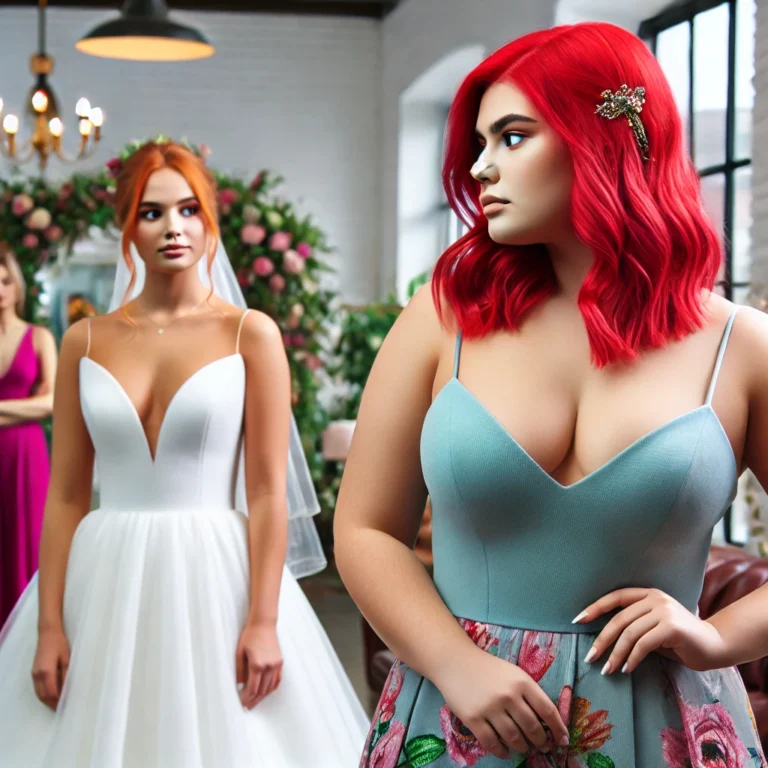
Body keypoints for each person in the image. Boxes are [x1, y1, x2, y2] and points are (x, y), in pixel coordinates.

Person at [335, 22, 768, 767]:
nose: (479, 169)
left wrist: (717, 636)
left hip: (665, 727)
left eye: (511, 137)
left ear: (600, 139)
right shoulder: (442, 319)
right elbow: (366, 529)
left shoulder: (743, 345)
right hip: (460, 716)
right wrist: (456, 665)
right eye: (478, 143)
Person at [0, 140, 368, 767]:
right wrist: (50, 625)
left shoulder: (250, 334)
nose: (173, 226)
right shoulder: (83, 340)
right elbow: (65, 496)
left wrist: (263, 620)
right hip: (103, 580)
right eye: (151, 212)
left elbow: (266, 493)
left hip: (215, 575)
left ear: (209, 223)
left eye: (189, 210)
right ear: (127, 228)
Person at [0, 244, 57, 628]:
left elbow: (53, 401)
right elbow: (37, 402)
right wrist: (24, 406)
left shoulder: (39, 337)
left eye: (5, 281)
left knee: (28, 541)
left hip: (26, 454)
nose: (0, 290)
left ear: (17, 287)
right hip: (15, 439)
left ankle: (29, 636)